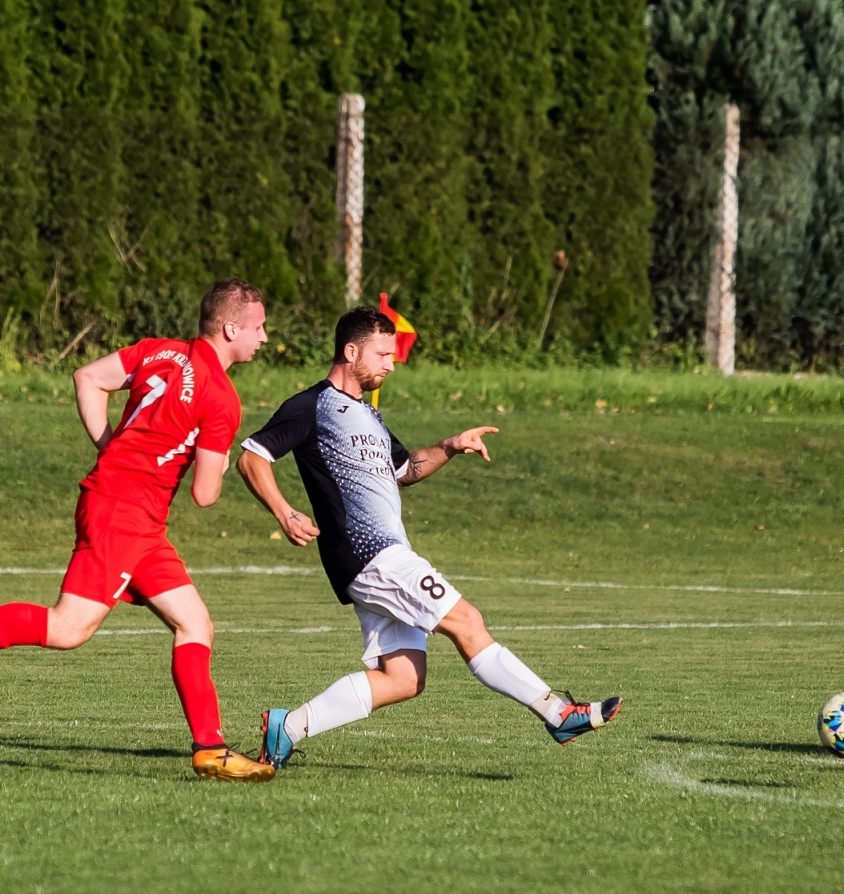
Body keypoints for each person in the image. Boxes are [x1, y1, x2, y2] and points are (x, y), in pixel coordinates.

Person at [0, 279, 274, 782]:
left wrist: (112, 446)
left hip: (135, 516)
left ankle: (209, 748)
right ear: (231, 327)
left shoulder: (161, 352)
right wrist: (213, 452)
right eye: (258, 327)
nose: (264, 337)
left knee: (195, 624)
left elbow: (88, 378)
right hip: (123, 515)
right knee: (68, 629)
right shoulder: (222, 399)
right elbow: (205, 494)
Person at [237, 305, 623, 769]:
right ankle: (558, 713)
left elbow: (404, 470)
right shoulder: (310, 406)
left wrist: (449, 446)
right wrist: (284, 511)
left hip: (380, 556)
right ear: (351, 350)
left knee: (403, 678)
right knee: (467, 622)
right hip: (371, 555)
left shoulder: (368, 415)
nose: (390, 364)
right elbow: (252, 457)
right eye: (383, 354)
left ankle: (289, 726)